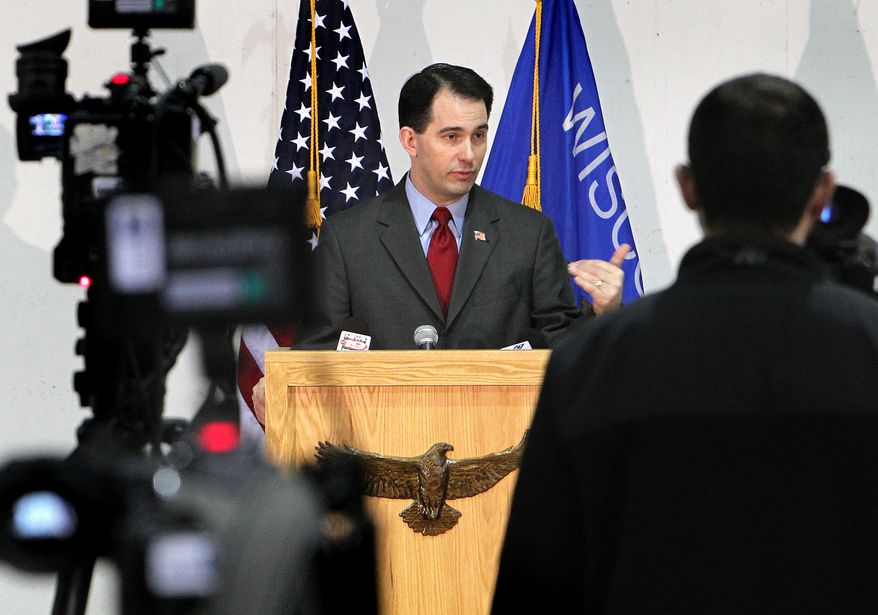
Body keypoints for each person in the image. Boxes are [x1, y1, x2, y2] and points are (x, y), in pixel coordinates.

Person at [492, 74, 878, 613]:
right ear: (823, 192)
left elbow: (538, 586)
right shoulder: (868, 346)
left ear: (687, 186)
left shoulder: (593, 360)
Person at [251, 63, 629, 424]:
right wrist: (283, 382)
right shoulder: (349, 237)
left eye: (478, 135)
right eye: (452, 137)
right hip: (384, 446)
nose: (469, 154)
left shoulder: (528, 234)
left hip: (497, 447)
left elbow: (561, 349)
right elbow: (318, 352)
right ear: (410, 140)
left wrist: (605, 312)